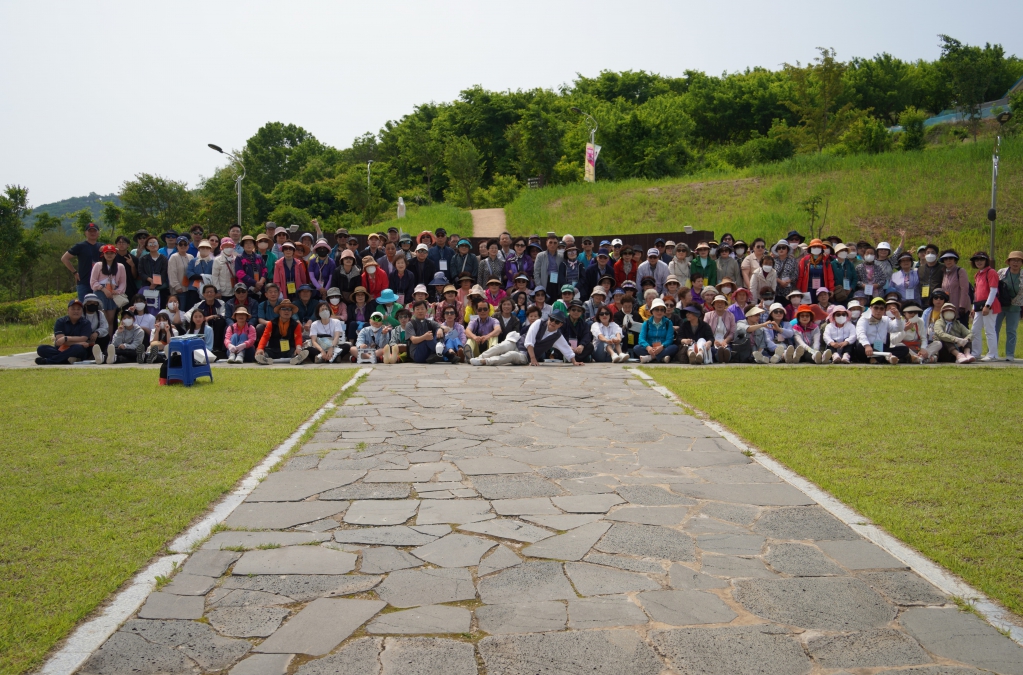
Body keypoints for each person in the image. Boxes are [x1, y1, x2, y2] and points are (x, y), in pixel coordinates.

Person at [470, 309, 584, 366]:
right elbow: (529, 340)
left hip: (526, 355)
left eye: (557, 322)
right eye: (552, 319)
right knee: (502, 346)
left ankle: (485, 362)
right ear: (549, 318)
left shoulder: (557, 335)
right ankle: (480, 357)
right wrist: (534, 358)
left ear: (561, 325)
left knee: (510, 356)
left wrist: (574, 362)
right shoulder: (539, 322)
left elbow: (566, 349)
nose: (553, 323)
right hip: (518, 343)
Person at [967, 251, 1000, 361]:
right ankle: (976, 353)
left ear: (986, 261)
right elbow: (976, 293)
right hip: (979, 305)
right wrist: (973, 307)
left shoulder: (991, 272)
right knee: (975, 329)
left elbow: (993, 290)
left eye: (981, 259)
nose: (979, 262)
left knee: (989, 330)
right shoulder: (977, 274)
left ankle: (992, 354)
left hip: (990, 305)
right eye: (976, 260)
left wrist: (988, 305)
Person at [255, 299, 309, 365]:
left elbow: (298, 338)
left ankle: (297, 358)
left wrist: (298, 348)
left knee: (296, 351)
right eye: (284, 309)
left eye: (289, 309)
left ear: (292, 312)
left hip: (289, 349)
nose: (287, 311)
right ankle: (263, 358)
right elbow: (265, 337)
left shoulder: (296, 325)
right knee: (264, 351)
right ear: (279, 311)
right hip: (274, 349)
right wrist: (260, 348)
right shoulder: (271, 323)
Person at [853, 297, 903, 364]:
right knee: (860, 347)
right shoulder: (864, 319)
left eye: (881, 308)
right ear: (870, 308)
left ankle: (879, 359)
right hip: (869, 347)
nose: (878, 311)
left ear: (884, 310)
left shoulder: (886, 319)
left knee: (904, 349)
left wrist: (897, 317)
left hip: (882, 347)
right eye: (876, 308)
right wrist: (867, 345)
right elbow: (861, 334)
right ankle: (887, 358)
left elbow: (898, 328)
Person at [62, 222, 103, 301]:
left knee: (100, 308)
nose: (92, 233)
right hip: (84, 282)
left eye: (94, 231)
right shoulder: (80, 246)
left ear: (98, 233)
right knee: (83, 308)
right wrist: (74, 272)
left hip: (100, 283)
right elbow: (64, 258)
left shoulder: (102, 246)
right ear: (85, 233)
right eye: (90, 231)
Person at [90, 244, 127, 329]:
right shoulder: (98, 265)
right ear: (104, 254)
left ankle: (109, 340)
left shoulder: (120, 266)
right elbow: (93, 281)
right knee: (101, 318)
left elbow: (122, 283)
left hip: (114, 292)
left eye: (112, 253)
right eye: (107, 253)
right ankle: (100, 339)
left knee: (110, 319)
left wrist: (117, 291)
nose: (109, 255)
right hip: (100, 291)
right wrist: (103, 289)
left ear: (115, 254)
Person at [187, 284, 227, 358]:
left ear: (215, 294)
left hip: (216, 324)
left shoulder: (221, 303)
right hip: (203, 325)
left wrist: (212, 316)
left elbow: (223, 314)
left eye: (211, 292)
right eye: (207, 292)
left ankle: (217, 348)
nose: (209, 294)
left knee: (220, 322)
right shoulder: (198, 305)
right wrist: (197, 319)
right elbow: (187, 314)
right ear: (203, 294)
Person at [997, 250, 1023, 361]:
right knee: (994, 329)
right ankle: (992, 353)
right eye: (1013, 260)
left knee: (1011, 331)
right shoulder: (1001, 272)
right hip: (999, 305)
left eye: (1018, 260)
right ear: (1009, 262)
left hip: (1015, 306)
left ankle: (1010, 354)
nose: (1015, 263)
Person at [634, 299, 677, 364]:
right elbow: (641, 339)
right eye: (657, 309)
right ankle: (662, 358)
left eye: (662, 310)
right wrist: (648, 347)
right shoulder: (646, 323)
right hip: (650, 348)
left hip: (663, 348)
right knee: (636, 348)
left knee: (674, 347)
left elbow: (669, 339)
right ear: (652, 311)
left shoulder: (668, 323)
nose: (659, 312)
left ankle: (650, 358)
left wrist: (662, 346)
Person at [938, 250, 970, 324]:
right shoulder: (945, 273)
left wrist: (962, 306)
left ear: (955, 260)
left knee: (962, 331)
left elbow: (964, 289)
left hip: (960, 308)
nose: (948, 261)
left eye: (951, 258)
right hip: (948, 307)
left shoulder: (960, 271)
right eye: (946, 259)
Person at [138, 235, 169, 307]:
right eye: (150, 244)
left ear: (158, 245)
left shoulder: (164, 259)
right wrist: (150, 280)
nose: (153, 245)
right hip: (146, 287)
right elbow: (141, 272)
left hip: (161, 288)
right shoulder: (143, 259)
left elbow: (164, 273)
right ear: (147, 246)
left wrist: (155, 283)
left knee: (160, 309)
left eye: (155, 243)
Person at [704, 294, 734, 363]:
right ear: (714, 304)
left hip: (725, 341)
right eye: (717, 302)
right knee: (713, 349)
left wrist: (725, 341)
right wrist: (713, 341)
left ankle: (726, 356)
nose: (719, 304)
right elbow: (704, 331)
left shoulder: (731, 315)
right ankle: (718, 357)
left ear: (725, 304)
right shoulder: (708, 315)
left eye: (722, 302)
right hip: (712, 341)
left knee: (727, 349)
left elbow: (732, 332)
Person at [533, 233, 564, 299]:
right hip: (545, 281)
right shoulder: (540, 256)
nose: (552, 245)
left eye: (555, 243)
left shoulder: (561, 257)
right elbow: (536, 272)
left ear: (558, 244)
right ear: (546, 243)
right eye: (550, 242)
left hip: (556, 282)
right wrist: (539, 286)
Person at [167, 236, 194, 302]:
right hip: (179, 290)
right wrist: (177, 287)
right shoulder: (174, 257)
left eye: (185, 244)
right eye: (180, 244)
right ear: (177, 245)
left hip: (189, 289)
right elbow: (171, 273)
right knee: (180, 310)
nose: (183, 246)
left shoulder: (191, 257)